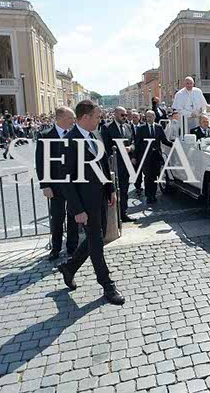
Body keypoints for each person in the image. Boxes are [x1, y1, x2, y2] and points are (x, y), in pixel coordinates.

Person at [57, 100, 124, 305]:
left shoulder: (95, 135)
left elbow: (103, 164)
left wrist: (110, 189)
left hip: (101, 198)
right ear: (85, 117)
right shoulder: (69, 141)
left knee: (98, 237)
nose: (99, 120)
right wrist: (77, 209)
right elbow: (65, 180)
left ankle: (69, 268)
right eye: (97, 116)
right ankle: (107, 284)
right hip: (84, 203)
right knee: (96, 243)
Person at [35, 106, 78, 260]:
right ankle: (56, 247)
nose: (73, 121)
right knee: (57, 217)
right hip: (55, 185)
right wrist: (45, 185)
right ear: (60, 118)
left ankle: (72, 247)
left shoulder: (75, 134)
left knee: (73, 216)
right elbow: (41, 162)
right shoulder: (45, 136)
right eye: (70, 118)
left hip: (74, 183)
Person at [100, 107, 136, 222]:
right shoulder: (106, 128)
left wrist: (130, 148)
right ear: (115, 115)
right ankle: (113, 216)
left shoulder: (128, 126)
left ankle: (123, 213)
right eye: (122, 115)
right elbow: (105, 147)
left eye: (126, 115)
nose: (125, 117)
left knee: (124, 190)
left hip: (126, 164)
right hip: (114, 164)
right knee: (114, 190)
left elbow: (133, 141)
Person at [134, 110, 173, 204]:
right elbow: (137, 144)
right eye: (147, 116)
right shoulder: (141, 128)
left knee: (155, 176)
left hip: (156, 156)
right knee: (147, 176)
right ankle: (148, 196)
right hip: (145, 157)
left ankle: (153, 195)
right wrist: (135, 157)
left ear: (154, 117)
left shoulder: (159, 127)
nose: (149, 118)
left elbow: (164, 140)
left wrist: (174, 145)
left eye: (150, 116)